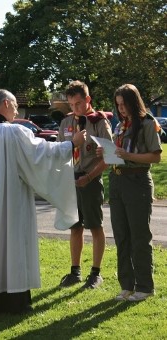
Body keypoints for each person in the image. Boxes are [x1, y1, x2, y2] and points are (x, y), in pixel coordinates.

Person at [0, 89, 86, 314]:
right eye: (16, 105)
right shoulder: (13, 133)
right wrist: (72, 144)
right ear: (7, 103)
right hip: (10, 202)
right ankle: (13, 300)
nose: (18, 109)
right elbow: (42, 153)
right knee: (11, 243)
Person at [97, 84, 162, 301]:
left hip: (137, 181)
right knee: (121, 236)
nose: (121, 109)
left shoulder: (147, 123)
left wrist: (128, 155)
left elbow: (155, 157)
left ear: (134, 101)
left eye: (124, 104)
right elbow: (119, 153)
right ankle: (127, 286)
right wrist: (105, 152)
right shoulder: (120, 125)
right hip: (117, 180)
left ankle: (144, 287)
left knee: (139, 236)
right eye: (118, 105)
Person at [57, 80, 113, 289]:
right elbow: (59, 152)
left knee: (95, 226)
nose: (75, 109)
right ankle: (75, 271)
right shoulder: (66, 123)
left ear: (88, 100)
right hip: (71, 180)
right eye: (71, 105)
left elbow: (109, 158)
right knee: (75, 227)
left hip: (90, 179)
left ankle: (96, 273)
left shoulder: (99, 122)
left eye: (79, 104)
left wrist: (89, 177)